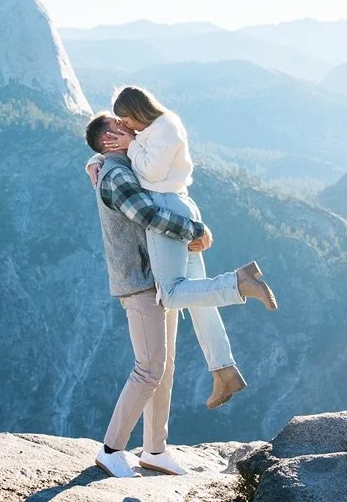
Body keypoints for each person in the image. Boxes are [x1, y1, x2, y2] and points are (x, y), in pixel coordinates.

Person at [85, 113, 270, 478]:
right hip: (139, 284)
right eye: (122, 127)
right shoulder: (116, 174)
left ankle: (155, 449)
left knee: (163, 369)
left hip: (158, 279)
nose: (133, 129)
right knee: (149, 369)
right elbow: (149, 214)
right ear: (109, 139)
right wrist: (194, 230)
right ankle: (111, 450)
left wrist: (94, 158)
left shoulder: (124, 163)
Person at [103, 86, 278, 410]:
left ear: (138, 111)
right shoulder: (157, 128)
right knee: (198, 299)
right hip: (180, 205)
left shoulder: (162, 129)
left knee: (170, 293)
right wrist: (101, 156)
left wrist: (130, 144)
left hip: (166, 209)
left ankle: (238, 283)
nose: (126, 127)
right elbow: (125, 154)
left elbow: (148, 172)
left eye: (127, 121)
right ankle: (224, 370)